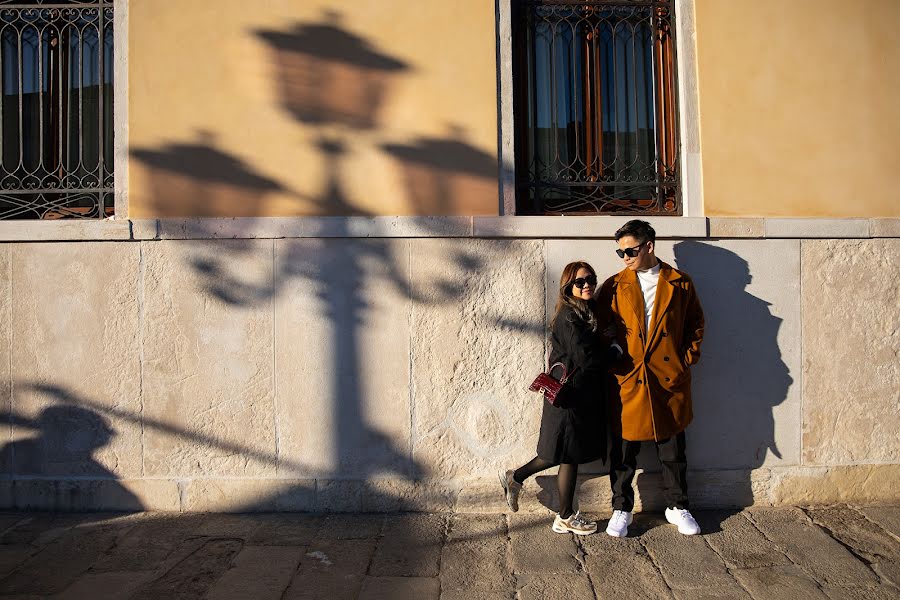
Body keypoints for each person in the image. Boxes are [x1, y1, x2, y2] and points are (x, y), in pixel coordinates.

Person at [598, 220, 705, 537]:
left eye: (629, 250)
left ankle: (677, 506)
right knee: (623, 451)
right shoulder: (615, 285)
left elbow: (695, 325)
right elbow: (603, 328)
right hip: (629, 378)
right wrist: (615, 357)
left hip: (667, 378)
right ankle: (621, 508)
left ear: (649, 246)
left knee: (672, 449)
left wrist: (685, 361)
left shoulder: (680, 283)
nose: (624, 257)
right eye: (620, 251)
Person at [499, 261, 620, 535]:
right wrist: (613, 351)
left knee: (569, 454)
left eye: (591, 279)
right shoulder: (569, 316)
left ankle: (563, 514)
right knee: (558, 452)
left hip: (578, 396)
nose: (587, 284)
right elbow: (585, 357)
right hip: (568, 397)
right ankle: (519, 479)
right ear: (568, 287)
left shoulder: (585, 313)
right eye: (580, 282)